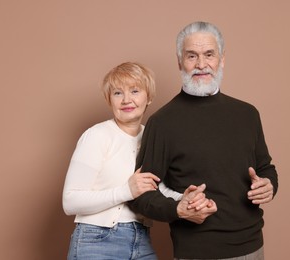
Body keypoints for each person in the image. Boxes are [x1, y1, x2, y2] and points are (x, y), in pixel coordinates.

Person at [129, 22, 279, 260]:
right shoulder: (163, 122)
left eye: (209, 54)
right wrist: (177, 209)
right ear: (180, 62)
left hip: (252, 247)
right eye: (192, 56)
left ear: (222, 59)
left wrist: (269, 185)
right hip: (197, 252)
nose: (201, 64)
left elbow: (266, 168)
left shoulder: (248, 114)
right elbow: (142, 196)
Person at [62, 62, 207, 260]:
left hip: (141, 238)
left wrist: (185, 199)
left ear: (149, 97)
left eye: (135, 91)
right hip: (96, 240)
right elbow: (70, 201)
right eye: (117, 93)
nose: (126, 100)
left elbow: (155, 187)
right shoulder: (97, 135)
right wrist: (125, 191)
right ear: (109, 100)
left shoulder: (152, 136)